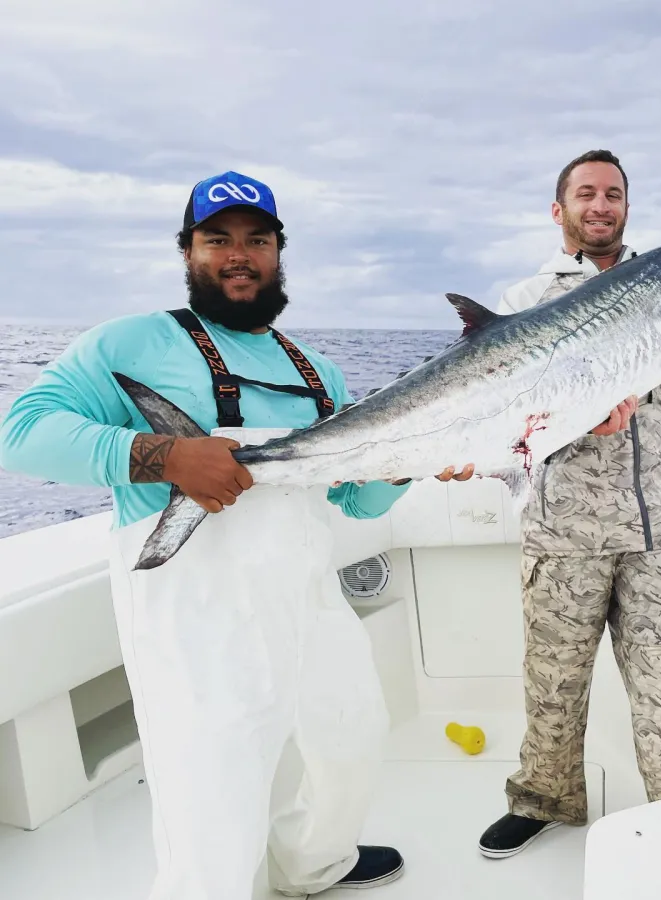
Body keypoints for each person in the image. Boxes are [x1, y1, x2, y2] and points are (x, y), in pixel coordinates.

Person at [0, 171, 473, 900]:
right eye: (217, 239)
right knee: (211, 790)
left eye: (257, 240)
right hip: (191, 610)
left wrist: (410, 463)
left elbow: (356, 499)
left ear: (280, 252)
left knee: (350, 734)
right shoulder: (131, 342)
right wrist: (163, 456)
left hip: (306, 595)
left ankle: (314, 864)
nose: (238, 255)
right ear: (188, 250)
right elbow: (21, 431)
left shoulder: (317, 369)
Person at [478, 150, 661, 859]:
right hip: (562, 530)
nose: (601, 205)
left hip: (658, 528)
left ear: (627, 208)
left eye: (613, 194)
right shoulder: (525, 298)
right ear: (560, 209)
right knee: (553, 685)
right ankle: (543, 799)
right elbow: (505, 417)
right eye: (586, 193)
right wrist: (578, 425)